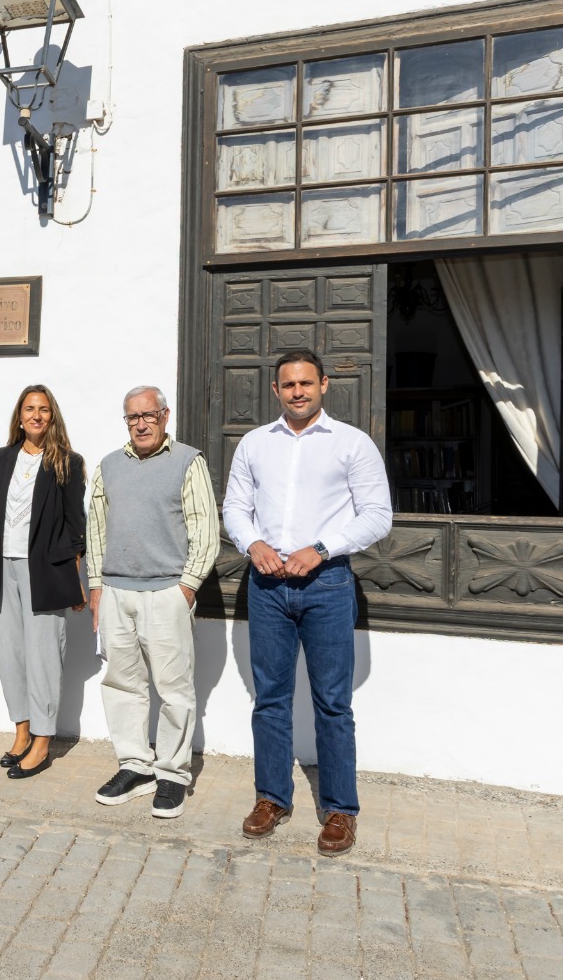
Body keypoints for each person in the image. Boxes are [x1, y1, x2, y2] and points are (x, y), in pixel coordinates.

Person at [223, 349, 392, 857]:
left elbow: (378, 515)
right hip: (268, 586)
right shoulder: (254, 444)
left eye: (306, 383)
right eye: (288, 385)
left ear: (323, 386)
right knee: (270, 699)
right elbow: (235, 506)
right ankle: (272, 798)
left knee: (332, 703)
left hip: (328, 586)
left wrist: (320, 550)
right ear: (275, 390)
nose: (298, 392)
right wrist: (251, 543)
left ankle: (340, 809)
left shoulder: (351, 444)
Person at [85, 386, 219, 818]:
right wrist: (96, 586)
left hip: (167, 593)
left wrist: (187, 588)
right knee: (122, 685)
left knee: (175, 689)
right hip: (117, 592)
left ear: (164, 416)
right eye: (132, 417)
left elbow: (205, 528)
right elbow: (98, 529)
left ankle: (173, 774)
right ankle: (135, 765)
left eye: (148, 415)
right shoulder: (109, 466)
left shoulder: (187, 461)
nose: (140, 424)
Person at [0, 385, 86, 780]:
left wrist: (75, 578)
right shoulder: (3, 458)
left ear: (52, 416)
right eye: (30, 409)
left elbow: (75, 525)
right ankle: (22, 730)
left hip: (44, 570)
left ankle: (43, 740)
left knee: (44, 655)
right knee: (11, 653)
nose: (37, 416)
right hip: (3, 565)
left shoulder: (67, 462)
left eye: (44, 410)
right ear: (20, 415)